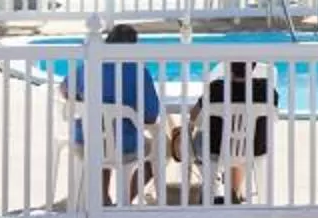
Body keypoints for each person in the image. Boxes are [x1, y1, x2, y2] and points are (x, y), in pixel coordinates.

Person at [65, 23, 165, 203]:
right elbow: (151, 116)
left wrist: (81, 99)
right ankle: (126, 199)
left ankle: (103, 199)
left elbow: (64, 90)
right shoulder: (138, 73)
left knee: (104, 137)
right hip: (122, 145)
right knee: (161, 147)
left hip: (84, 140)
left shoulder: (87, 67)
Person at [184, 58, 280, 204]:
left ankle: (213, 185)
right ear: (253, 67)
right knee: (240, 143)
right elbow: (273, 118)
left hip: (215, 150)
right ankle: (233, 191)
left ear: (228, 67)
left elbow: (194, 117)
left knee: (198, 138)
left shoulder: (216, 88)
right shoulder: (267, 90)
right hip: (253, 149)